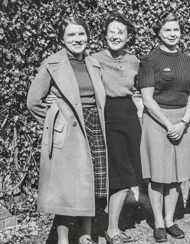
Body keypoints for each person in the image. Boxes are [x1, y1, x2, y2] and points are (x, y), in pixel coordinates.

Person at [27, 16, 107, 244]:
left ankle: (85, 235)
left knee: (91, 183)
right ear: (62, 38)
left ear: (87, 36)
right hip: (70, 133)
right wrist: (58, 120)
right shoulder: (52, 64)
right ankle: (62, 239)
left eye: (81, 33)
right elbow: (33, 101)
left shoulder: (93, 63)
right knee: (67, 186)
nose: (77, 39)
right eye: (71, 34)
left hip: (94, 127)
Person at [136, 12, 190, 243]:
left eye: (176, 30)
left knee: (176, 175)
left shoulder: (189, 61)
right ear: (158, 33)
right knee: (158, 176)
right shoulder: (149, 60)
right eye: (168, 30)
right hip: (157, 121)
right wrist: (168, 123)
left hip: (182, 122)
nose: (173, 34)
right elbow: (147, 98)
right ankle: (158, 223)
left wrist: (183, 123)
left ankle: (170, 220)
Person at [92, 13, 141, 244]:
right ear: (105, 34)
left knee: (130, 171)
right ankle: (111, 230)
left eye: (120, 32)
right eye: (111, 31)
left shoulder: (134, 60)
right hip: (107, 117)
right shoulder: (93, 59)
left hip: (130, 116)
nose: (115, 36)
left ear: (128, 36)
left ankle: (113, 226)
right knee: (120, 175)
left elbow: (143, 89)